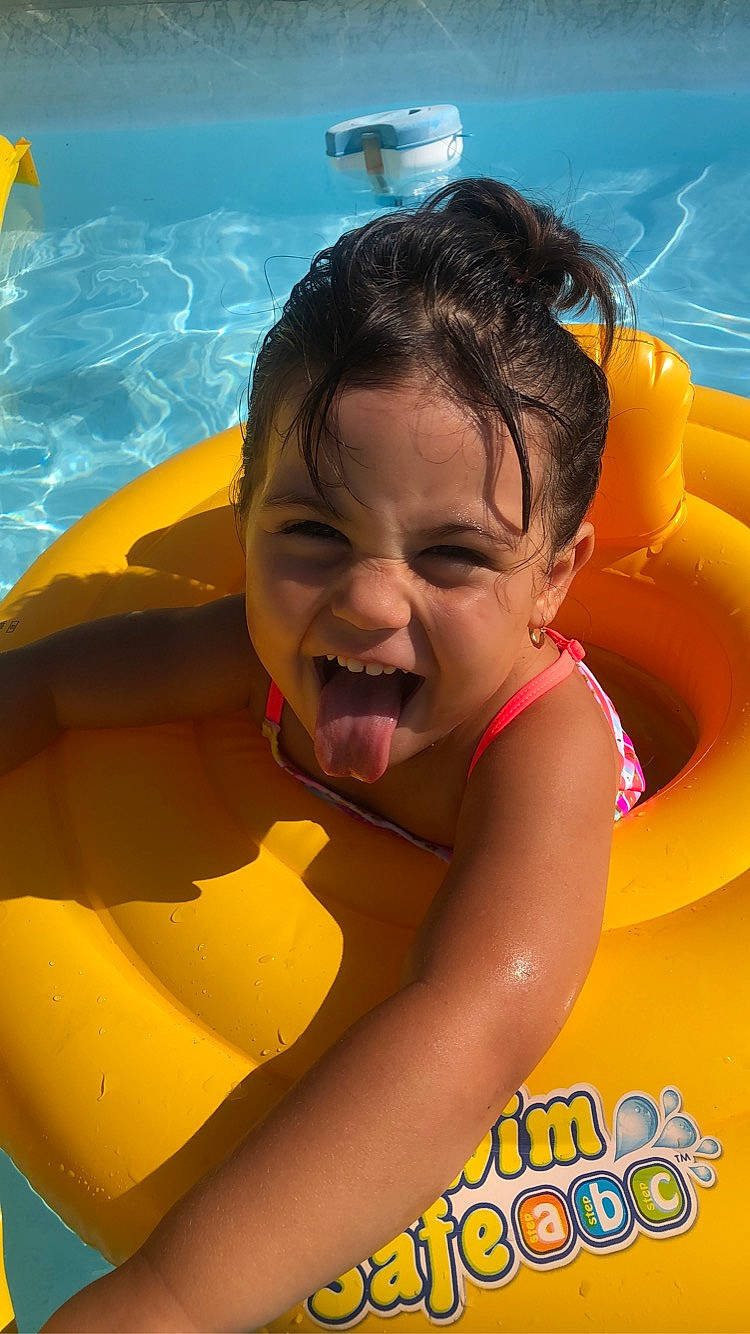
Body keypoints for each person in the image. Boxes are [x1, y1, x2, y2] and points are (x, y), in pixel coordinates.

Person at [1, 178, 645, 1331]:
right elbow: (49, 687)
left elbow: (472, 1026)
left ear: (553, 577)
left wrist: (171, 1300)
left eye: (453, 555)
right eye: (311, 529)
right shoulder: (258, 646)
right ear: (245, 515)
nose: (367, 600)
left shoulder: (548, 747)